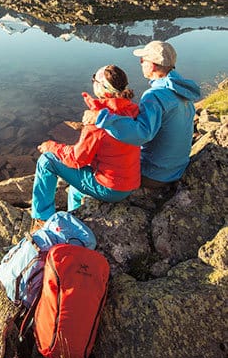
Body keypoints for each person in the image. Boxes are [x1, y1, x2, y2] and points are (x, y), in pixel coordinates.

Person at [30, 65, 141, 232]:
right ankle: (75, 218)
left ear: (102, 89)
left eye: (94, 80)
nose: (92, 83)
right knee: (75, 190)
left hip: (110, 188)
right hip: (129, 183)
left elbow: (77, 159)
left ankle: (41, 219)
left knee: (47, 161)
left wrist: (51, 146)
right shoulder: (131, 109)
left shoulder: (97, 120)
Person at [93, 40, 201, 187]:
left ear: (153, 65)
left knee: (97, 164)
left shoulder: (155, 95)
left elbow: (142, 134)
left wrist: (103, 118)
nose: (141, 62)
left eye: (143, 60)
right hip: (177, 168)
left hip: (155, 173)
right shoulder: (182, 90)